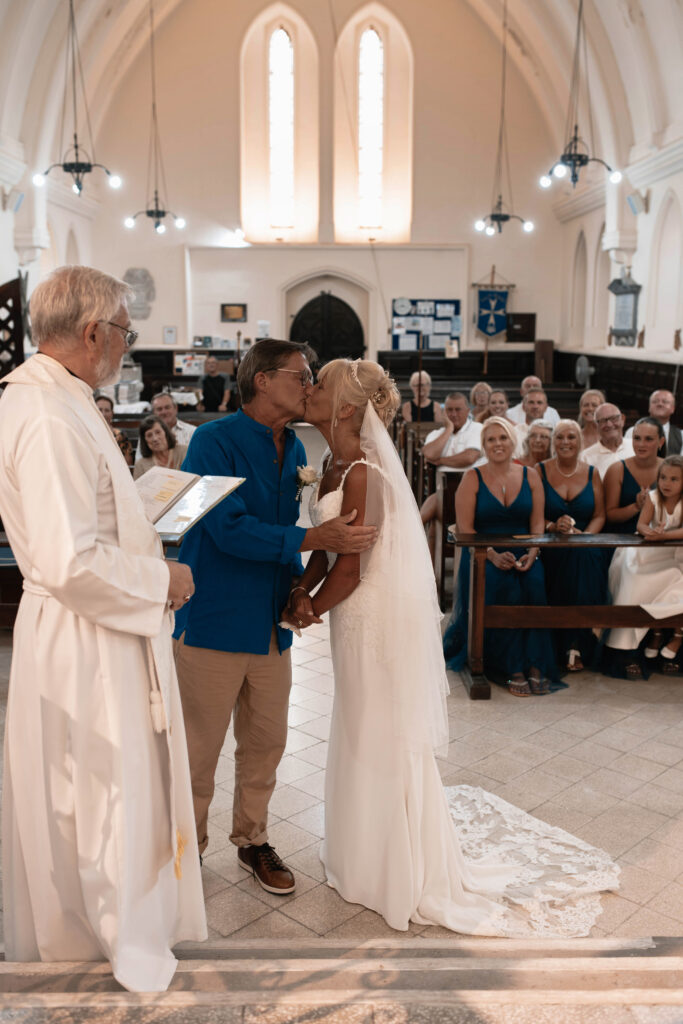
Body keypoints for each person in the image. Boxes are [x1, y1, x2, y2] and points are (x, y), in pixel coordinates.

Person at [286, 365, 616, 936]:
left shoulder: (363, 471)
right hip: (350, 611)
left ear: (343, 407)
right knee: (357, 721)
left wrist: (308, 608)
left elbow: (354, 566)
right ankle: (361, 849)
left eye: (320, 384)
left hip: (370, 612)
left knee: (377, 726)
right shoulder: (332, 464)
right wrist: (299, 587)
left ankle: (394, 863)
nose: (308, 388)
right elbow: (329, 540)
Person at [0, 266, 206, 992]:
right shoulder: (49, 415)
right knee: (97, 791)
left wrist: (139, 516)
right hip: (85, 637)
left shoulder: (65, 400)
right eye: (125, 330)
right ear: (92, 333)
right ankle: (107, 939)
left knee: (105, 790)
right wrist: (163, 578)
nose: (126, 343)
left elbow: (84, 521)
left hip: (97, 626)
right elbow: (67, 558)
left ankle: (105, 930)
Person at [173, 339, 378, 896]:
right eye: (300, 374)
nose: (309, 384)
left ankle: (252, 838)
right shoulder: (213, 442)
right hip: (215, 618)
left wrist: (296, 588)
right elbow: (226, 528)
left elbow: (284, 537)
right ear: (262, 380)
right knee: (198, 747)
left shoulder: (296, 449)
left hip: (270, 625)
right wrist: (316, 537)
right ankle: (186, 851)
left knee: (265, 742)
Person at [443, 416, 562, 696]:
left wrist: (533, 552)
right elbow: (466, 530)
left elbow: (537, 523)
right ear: (484, 445)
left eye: (503, 438)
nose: (498, 444)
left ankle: (534, 663)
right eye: (491, 439)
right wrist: (492, 556)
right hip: (482, 553)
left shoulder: (530, 475)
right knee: (502, 586)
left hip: (525, 550)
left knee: (533, 585)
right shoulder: (472, 478)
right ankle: (511, 666)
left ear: (513, 441)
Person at [537, 420, 607, 672]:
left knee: (583, 556)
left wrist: (585, 537)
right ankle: (569, 642)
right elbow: (533, 515)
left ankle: (576, 640)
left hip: (585, 544)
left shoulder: (592, 473)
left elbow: (600, 515)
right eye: (559, 437)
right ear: (552, 441)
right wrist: (553, 526)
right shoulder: (539, 471)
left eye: (571, 437)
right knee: (571, 559)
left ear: (580, 441)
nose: (565, 442)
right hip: (550, 546)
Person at [604, 456, 683, 677]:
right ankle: (626, 647)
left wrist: (664, 535)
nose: (667, 483)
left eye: (674, 479)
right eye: (663, 477)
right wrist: (650, 533)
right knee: (634, 578)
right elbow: (641, 524)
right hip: (646, 553)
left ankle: (669, 634)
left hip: (672, 554)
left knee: (677, 578)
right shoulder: (653, 498)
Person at [419, 393, 482, 560]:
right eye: (449, 410)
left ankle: (413, 527)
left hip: (474, 494)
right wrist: (448, 429)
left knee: (435, 505)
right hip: (444, 494)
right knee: (437, 507)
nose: (453, 414)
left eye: (458, 410)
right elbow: (428, 453)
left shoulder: (478, 429)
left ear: (468, 410)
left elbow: (469, 457)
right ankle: (431, 575)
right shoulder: (436, 433)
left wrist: (439, 460)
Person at [603, 417, 664, 534]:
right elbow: (610, 516)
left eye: (648, 439)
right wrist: (636, 506)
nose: (641, 444)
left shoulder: (672, 469)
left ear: (660, 442)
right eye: (637, 438)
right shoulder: (616, 470)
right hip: (622, 538)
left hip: (660, 535)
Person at [583, 402, 634, 478]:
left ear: (622, 420)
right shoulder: (585, 458)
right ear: (596, 426)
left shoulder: (636, 447)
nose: (609, 424)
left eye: (614, 418)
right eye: (603, 420)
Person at [625, 389, 681, 455]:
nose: (660, 404)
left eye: (665, 402)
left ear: (673, 408)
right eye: (655, 401)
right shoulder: (633, 431)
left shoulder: (681, 435)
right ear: (649, 407)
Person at [133, 414, 188, 478]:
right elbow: (136, 487)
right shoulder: (141, 465)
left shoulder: (184, 452)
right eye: (149, 435)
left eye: (158, 432)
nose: (155, 439)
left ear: (166, 432)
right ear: (145, 441)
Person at [95, 390, 133, 465]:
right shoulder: (87, 433)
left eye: (107, 410)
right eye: (99, 410)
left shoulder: (120, 436)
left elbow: (128, 463)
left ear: (112, 413)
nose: (103, 414)